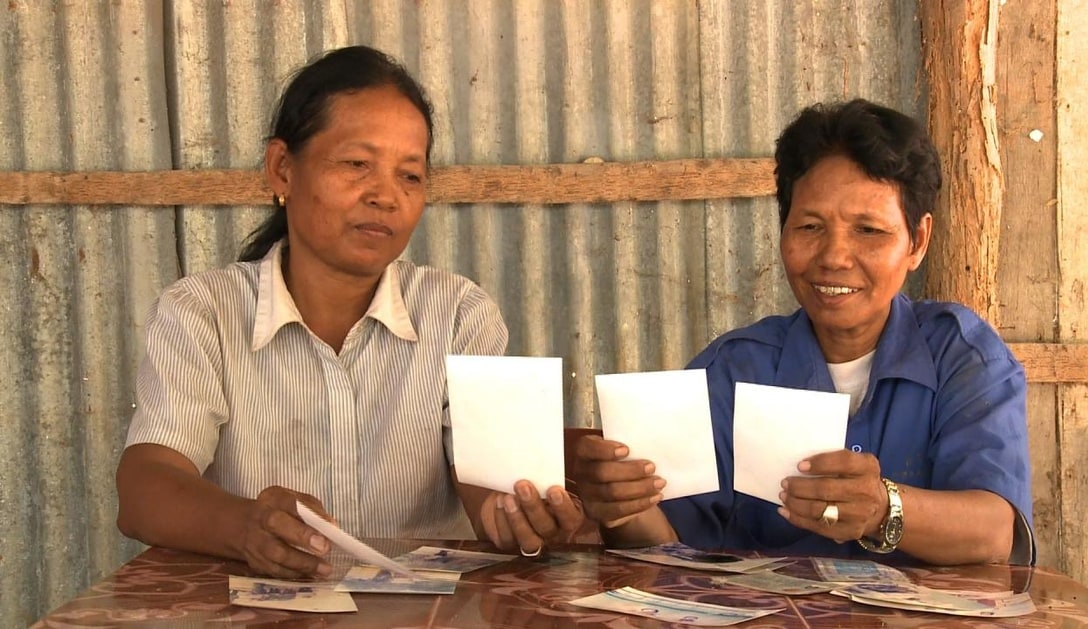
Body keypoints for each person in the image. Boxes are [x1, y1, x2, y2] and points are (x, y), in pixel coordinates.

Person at [116, 45, 583, 580]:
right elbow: (144, 486)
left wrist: (516, 514)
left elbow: (487, 488)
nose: (385, 196)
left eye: (410, 176)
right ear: (282, 170)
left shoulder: (457, 312)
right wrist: (246, 526)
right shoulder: (203, 313)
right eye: (357, 165)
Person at [572, 99, 1033, 566]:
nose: (834, 256)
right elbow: (665, 546)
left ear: (917, 241)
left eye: (869, 230)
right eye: (810, 226)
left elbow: (995, 533)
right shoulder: (732, 370)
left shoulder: (964, 357)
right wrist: (621, 508)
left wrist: (882, 508)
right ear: (783, 231)